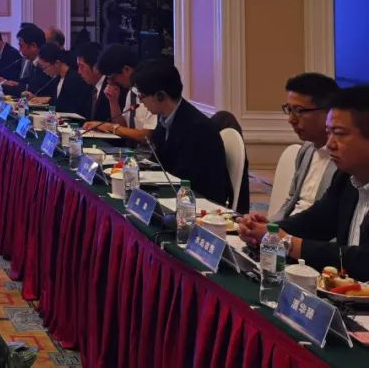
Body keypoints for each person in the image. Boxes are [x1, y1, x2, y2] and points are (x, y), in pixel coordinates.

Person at [239, 87, 369, 278]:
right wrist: (268, 231)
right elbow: (317, 220)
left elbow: (363, 260)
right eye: (329, 133)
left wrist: (288, 243)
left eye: (340, 134)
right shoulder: (346, 178)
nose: (330, 144)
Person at [134, 58, 231, 205]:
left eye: (142, 96)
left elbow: (189, 179)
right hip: (175, 195)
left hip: (197, 204)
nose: (141, 102)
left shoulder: (198, 129)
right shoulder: (164, 119)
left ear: (160, 95)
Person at [274, 73, 340, 220]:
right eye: (289, 109)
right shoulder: (306, 150)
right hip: (288, 228)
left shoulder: (344, 159)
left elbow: (330, 219)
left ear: (328, 112)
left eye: (299, 110)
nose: (291, 120)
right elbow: (291, 202)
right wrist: (269, 225)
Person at [35, 45, 91, 116]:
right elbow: (55, 104)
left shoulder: (73, 80)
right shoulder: (58, 78)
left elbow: (70, 109)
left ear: (57, 63)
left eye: (44, 67)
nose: (44, 71)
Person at [0, 24, 47, 97]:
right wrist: (10, 82)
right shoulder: (34, 62)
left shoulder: (45, 65)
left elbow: (36, 89)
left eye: (21, 46)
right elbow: (28, 82)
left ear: (33, 46)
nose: (19, 50)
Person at [75, 42, 107, 121]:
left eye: (82, 67)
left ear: (96, 67)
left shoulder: (111, 88)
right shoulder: (87, 87)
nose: (79, 72)